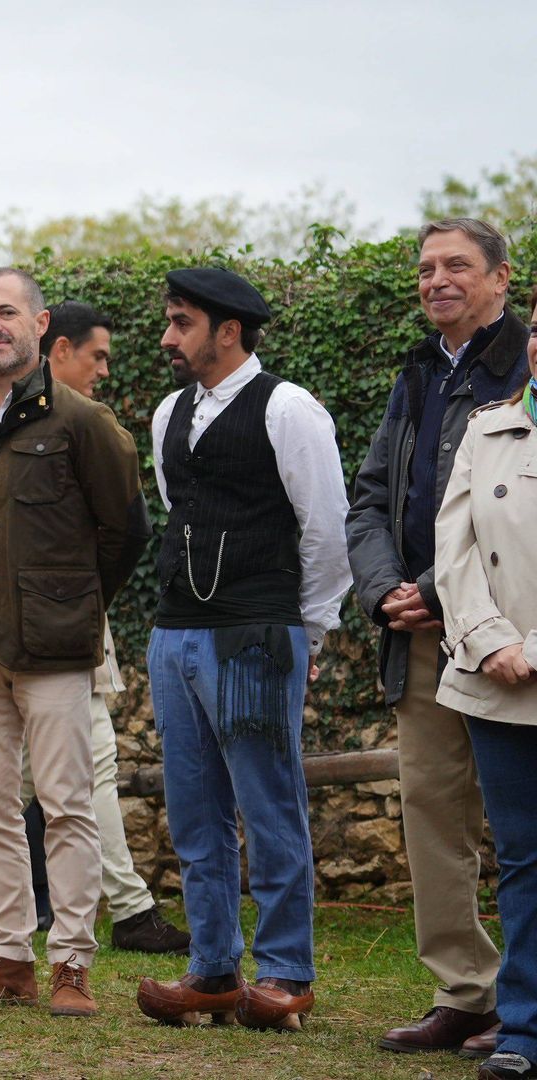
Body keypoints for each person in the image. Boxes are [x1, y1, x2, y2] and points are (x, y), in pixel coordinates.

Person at [0, 301, 191, 956]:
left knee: (41, 777)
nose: (103, 369)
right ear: (58, 347)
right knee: (63, 775)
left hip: (70, 622)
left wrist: (78, 601)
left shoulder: (88, 427)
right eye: (96, 356)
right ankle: (125, 910)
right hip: (24, 630)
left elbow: (123, 533)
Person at [135, 267, 352, 1032]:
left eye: (181, 323)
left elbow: (326, 529)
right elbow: (177, 505)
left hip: (255, 633)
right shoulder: (169, 413)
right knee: (194, 815)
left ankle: (287, 972)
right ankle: (216, 970)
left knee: (270, 807)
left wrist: (310, 629)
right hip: (174, 633)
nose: (167, 338)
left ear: (228, 331)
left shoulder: (288, 409)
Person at [348, 218, 528, 1057]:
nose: (436, 280)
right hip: (423, 635)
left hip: (513, 634)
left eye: (457, 265)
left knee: (524, 825)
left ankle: (527, 1009)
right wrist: (388, 588)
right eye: (425, 268)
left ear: (501, 277)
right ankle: (468, 993)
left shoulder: (524, 364)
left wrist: (443, 594)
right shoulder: (419, 373)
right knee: (432, 810)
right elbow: (372, 493)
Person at [434, 284, 537, 1080]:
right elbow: (454, 547)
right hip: (497, 678)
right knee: (522, 858)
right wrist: (489, 639)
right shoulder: (487, 429)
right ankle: (526, 1031)